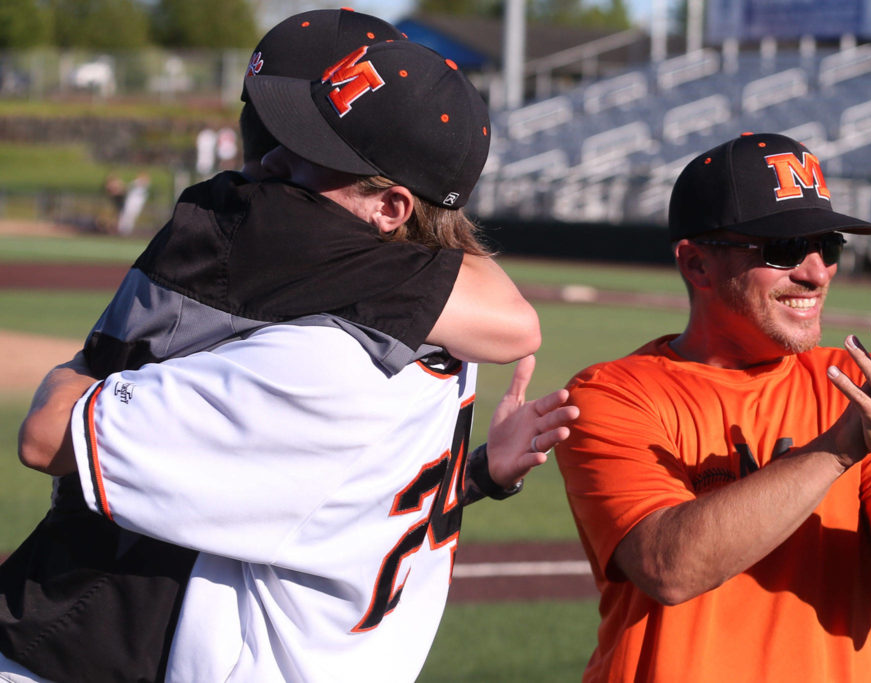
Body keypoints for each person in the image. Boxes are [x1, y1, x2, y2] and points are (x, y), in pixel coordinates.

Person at [4, 38, 578, 683]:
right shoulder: (450, 338)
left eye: (314, 159)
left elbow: (51, 433)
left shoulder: (321, 361)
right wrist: (475, 477)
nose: (274, 161)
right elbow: (344, 504)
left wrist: (85, 368)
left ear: (390, 208)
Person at [553, 132, 871, 682]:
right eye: (784, 248)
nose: (817, 273)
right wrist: (839, 447)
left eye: (828, 246)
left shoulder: (860, 387)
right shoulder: (612, 394)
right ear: (697, 265)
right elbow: (668, 567)